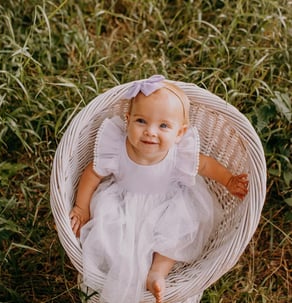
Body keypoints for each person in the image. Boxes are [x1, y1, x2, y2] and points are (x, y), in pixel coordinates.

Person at [70, 75, 248, 303]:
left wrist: (228, 179)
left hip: (169, 205)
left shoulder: (178, 154)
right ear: (128, 120)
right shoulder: (116, 147)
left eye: (163, 126)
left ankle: (158, 272)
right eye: (141, 121)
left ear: (180, 133)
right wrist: (81, 206)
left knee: (178, 228)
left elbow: (204, 165)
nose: (150, 132)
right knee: (114, 237)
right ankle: (109, 273)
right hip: (124, 204)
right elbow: (93, 173)